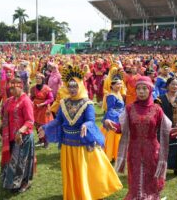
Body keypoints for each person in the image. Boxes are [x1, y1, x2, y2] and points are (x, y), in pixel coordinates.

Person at [38, 65, 122, 200]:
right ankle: (73, 194)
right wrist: (46, 127)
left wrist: (85, 125)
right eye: (70, 86)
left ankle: (85, 194)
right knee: (70, 172)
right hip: (67, 145)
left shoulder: (87, 103)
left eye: (75, 86)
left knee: (82, 171)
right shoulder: (63, 102)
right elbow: (58, 120)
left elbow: (91, 120)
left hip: (81, 144)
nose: (72, 89)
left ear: (81, 86)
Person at [111, 76, 173, 200]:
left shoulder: (157, 109)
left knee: (151, 179)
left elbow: (165, 130)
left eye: (144, 88)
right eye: (138, 88)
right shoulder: (129, 108)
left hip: (152, 150)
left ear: (150, 90)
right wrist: (112, 125)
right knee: (135, 179)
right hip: (134, 151)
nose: (141, 91)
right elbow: (122, 128)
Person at [0, 78, 35, 193]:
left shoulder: (26, 101)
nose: (11, 91)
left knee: (22, 161)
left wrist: (20, 131)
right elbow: (5, 116)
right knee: (12, 160)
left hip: (23, 137)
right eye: (10, 88)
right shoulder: (9, 100)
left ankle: (24, 182)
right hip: (10, 136)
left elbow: (30, 121)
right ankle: (12, 181)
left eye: (13, 88)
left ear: (20, 87)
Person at [101, 67, 125, 162]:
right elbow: (110, 109)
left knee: (118, 138)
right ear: (112, 85)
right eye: (117, 84)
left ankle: (116, 154)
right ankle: (109, 154)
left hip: (120, 117)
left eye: (120, 83)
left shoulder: (118, 94)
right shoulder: (111, 96)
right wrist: (113, 121)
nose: (119, 85)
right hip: (113, 119)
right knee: (112, 137)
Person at [30, 73, 54, 148]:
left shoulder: (47, 88)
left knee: (45, 125)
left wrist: (43, 103)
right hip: (36, 108)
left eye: (39, 78)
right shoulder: (33, 88)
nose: (37, 80)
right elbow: (32, 97)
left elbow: (51, 98)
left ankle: (46, 142)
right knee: (37, 124)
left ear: (42, 79)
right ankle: (40, 139)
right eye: (36, 78)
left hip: (44, 108)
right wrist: (30, 102)